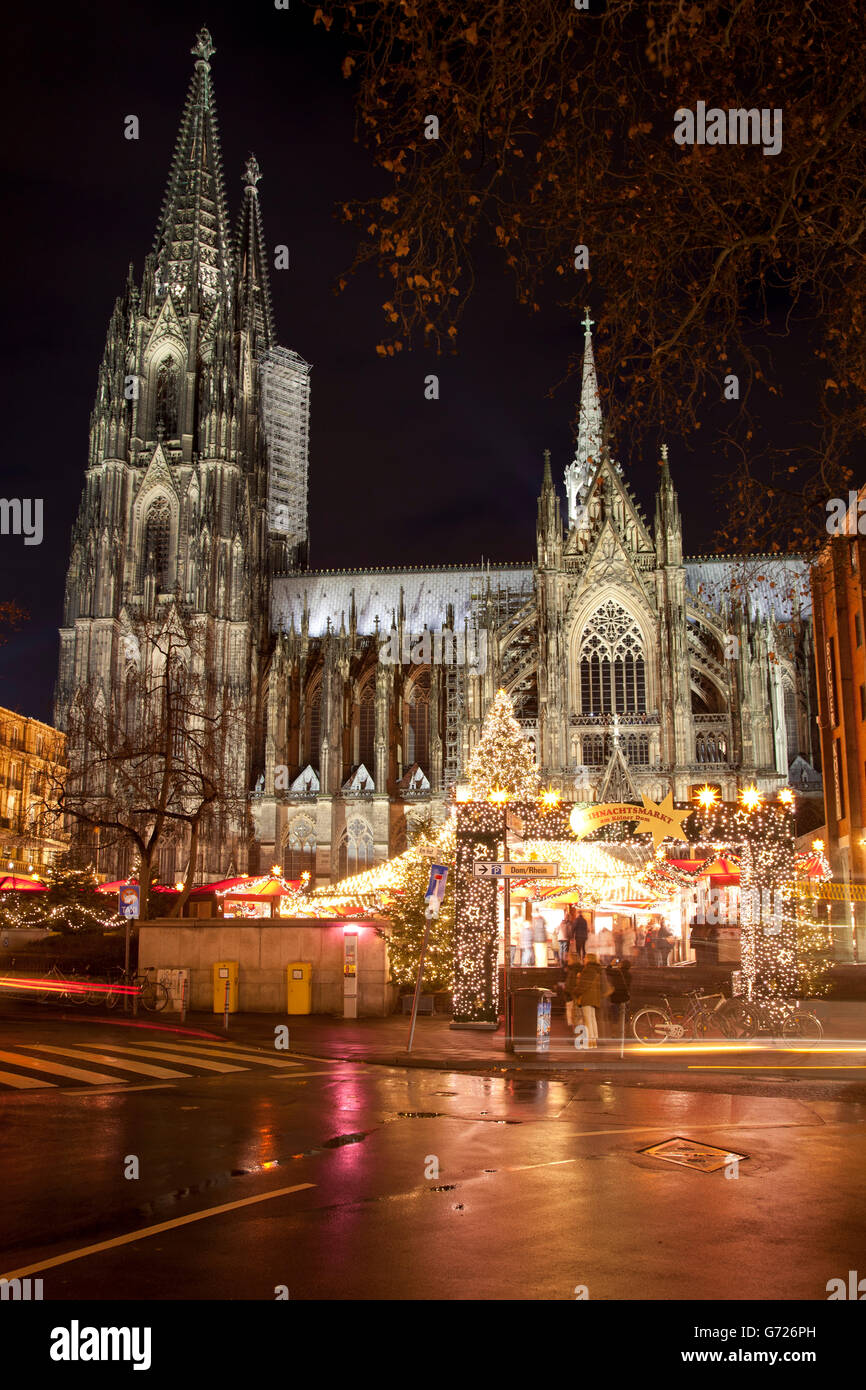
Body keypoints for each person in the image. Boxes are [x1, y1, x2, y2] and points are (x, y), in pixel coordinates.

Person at [566, 951, 608, 1047]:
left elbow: (583, 985)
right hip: (594, 998)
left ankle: (590, 1042)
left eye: (585, 958)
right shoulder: (597, 969)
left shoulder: (589, 970)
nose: (584, 959)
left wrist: (575, 992)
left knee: (588, 1019)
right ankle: (593, 1040)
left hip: (587, 998)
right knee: (592, 1019)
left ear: (589, 959)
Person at [606, 958, 632, 1038]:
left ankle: (614, 1034)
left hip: (616, 997)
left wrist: (611, 964)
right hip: (625, 997)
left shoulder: (617, 972)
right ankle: (627, 1032)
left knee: (615, 1017)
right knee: (626, 1017)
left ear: (621, 965)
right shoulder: (629, 975)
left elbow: (607, 971)